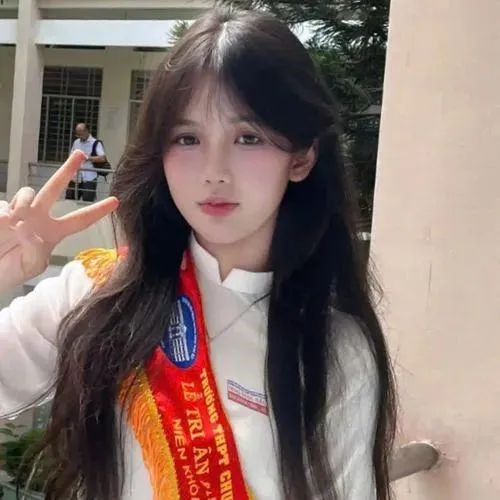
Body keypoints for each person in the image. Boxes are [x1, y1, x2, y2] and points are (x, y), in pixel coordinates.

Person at [0, 9, 396, 500]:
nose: (214, 171)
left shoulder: (338, 351)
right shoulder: (99, 293)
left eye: (248, 137)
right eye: (187, 139)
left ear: (301, 157)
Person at [65, 122, 106, 202]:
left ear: (86, 131)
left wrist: (87, 158)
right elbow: (71, 155)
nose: (80, 137)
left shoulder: (95, 143)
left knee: (87, 201)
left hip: (89, 177)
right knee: (70, 200)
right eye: (78, 135)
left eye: (81, 134)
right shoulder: (76, 142)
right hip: (75, 177)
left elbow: (102, 158)